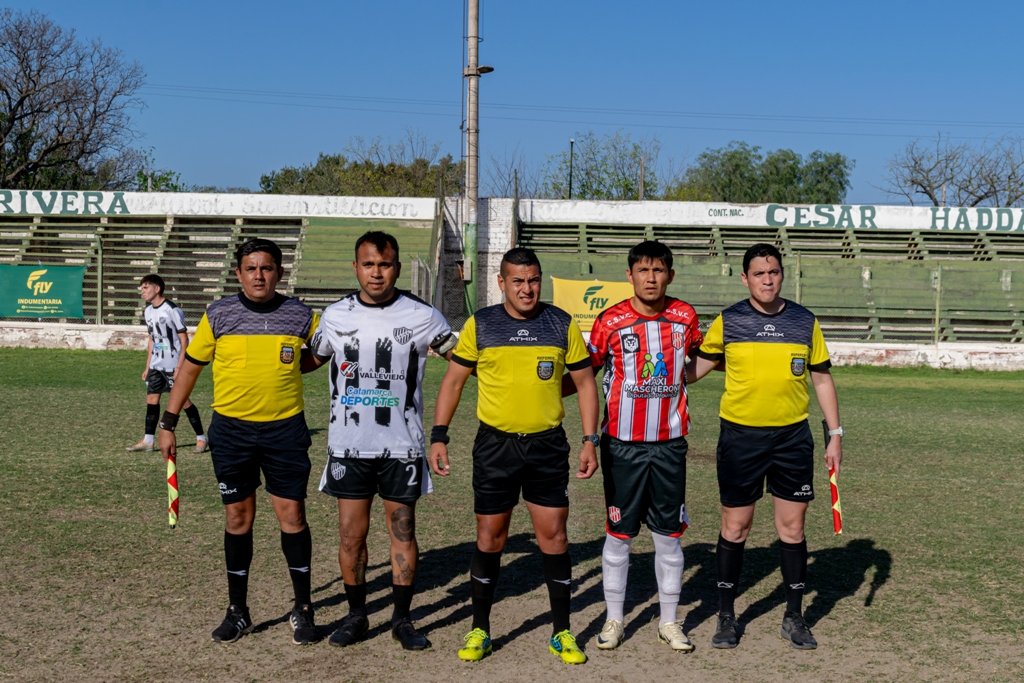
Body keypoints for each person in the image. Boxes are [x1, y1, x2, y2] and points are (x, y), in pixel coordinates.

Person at [428, 246, 600, 666]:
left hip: (546, 446)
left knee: (554, 536)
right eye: (518, 281)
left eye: (533, 280)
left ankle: (561, 631)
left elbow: (585, 383)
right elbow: (454, 382)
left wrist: (589, 440)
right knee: (490, 537)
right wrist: (439, 436)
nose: (527, 289)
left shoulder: (560, 323)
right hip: (496, 447)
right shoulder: (481, 324)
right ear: (501, 282)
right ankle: (480, 629)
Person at [158, 238, 320, 646]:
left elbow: (324, 352)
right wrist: (168, 422)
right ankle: (238, 610)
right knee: (237, 519)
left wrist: (293, 368)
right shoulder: (219, 314)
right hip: (232, 433)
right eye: (251, 269)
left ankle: (303, 608)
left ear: (279, 272)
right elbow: (189, 369)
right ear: (238, 274)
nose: (259, 276)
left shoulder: (302, 316)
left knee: (292, 517)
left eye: (267, 268)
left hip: (285, 431)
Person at [302, 231, 457, 651]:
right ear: (355, 267)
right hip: (349, 446)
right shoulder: (335, 315)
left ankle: (402, 620)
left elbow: (463, 361)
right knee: (350, 536)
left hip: (401, 448)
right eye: (368, 264)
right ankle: (356, 615)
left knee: (403, 531)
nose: (376, 272)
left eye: (384, 264)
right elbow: (309, 360)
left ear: (397, 268)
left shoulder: (423, 315)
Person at [688, 242, 843, 651]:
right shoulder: (729, 321)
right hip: (741, 438)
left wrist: (835, 434)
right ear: (745, 279)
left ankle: (794, 617)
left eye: (773, 272)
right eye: (759, 273)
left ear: (782, 275)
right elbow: (695, 370)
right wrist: (650, 366)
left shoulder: (804, 321)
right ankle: (726, 615)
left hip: (792, 438)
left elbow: (822, 379)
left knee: (792, 528)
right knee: (735, 526)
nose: (767, 279)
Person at [583, 240, 703, 653]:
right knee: (619, 534)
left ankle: (669, 621)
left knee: (668, 536)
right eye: (643, 270)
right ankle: (614, 618)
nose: (651, 278)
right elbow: (586, 373)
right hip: (622, 446)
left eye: (658, 270)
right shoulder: (610, 321)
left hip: (670, 445)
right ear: (629, 274)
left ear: (670, 275)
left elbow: (698, 361)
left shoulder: (685, 317)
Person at [127, 274, 206, 453]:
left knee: (183, 401)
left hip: (173, 365)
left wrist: (179, 367)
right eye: (141, 289)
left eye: (145, 288)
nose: (142, 292)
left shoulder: (172, 310)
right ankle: (148, 441)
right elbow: (152, 339)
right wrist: (148, 366)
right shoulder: (148, 311)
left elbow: (184, 339)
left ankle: (201, 438)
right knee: (152, 399)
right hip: (156, 365)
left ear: (157, 288)